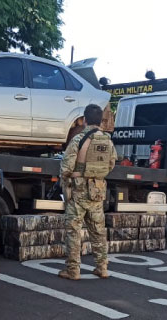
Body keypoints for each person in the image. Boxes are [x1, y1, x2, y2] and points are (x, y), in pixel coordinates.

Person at [58, 104, 117, 280]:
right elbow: (111, 164)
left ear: (84, 120)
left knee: (74, 231)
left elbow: (66, 167)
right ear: (100, 121)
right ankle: (102, 267)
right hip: (97, 190)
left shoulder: (78, 140)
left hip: (79, 190)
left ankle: (73, 270)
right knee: (98, 230)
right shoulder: (107, 140)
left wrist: (68, 179)